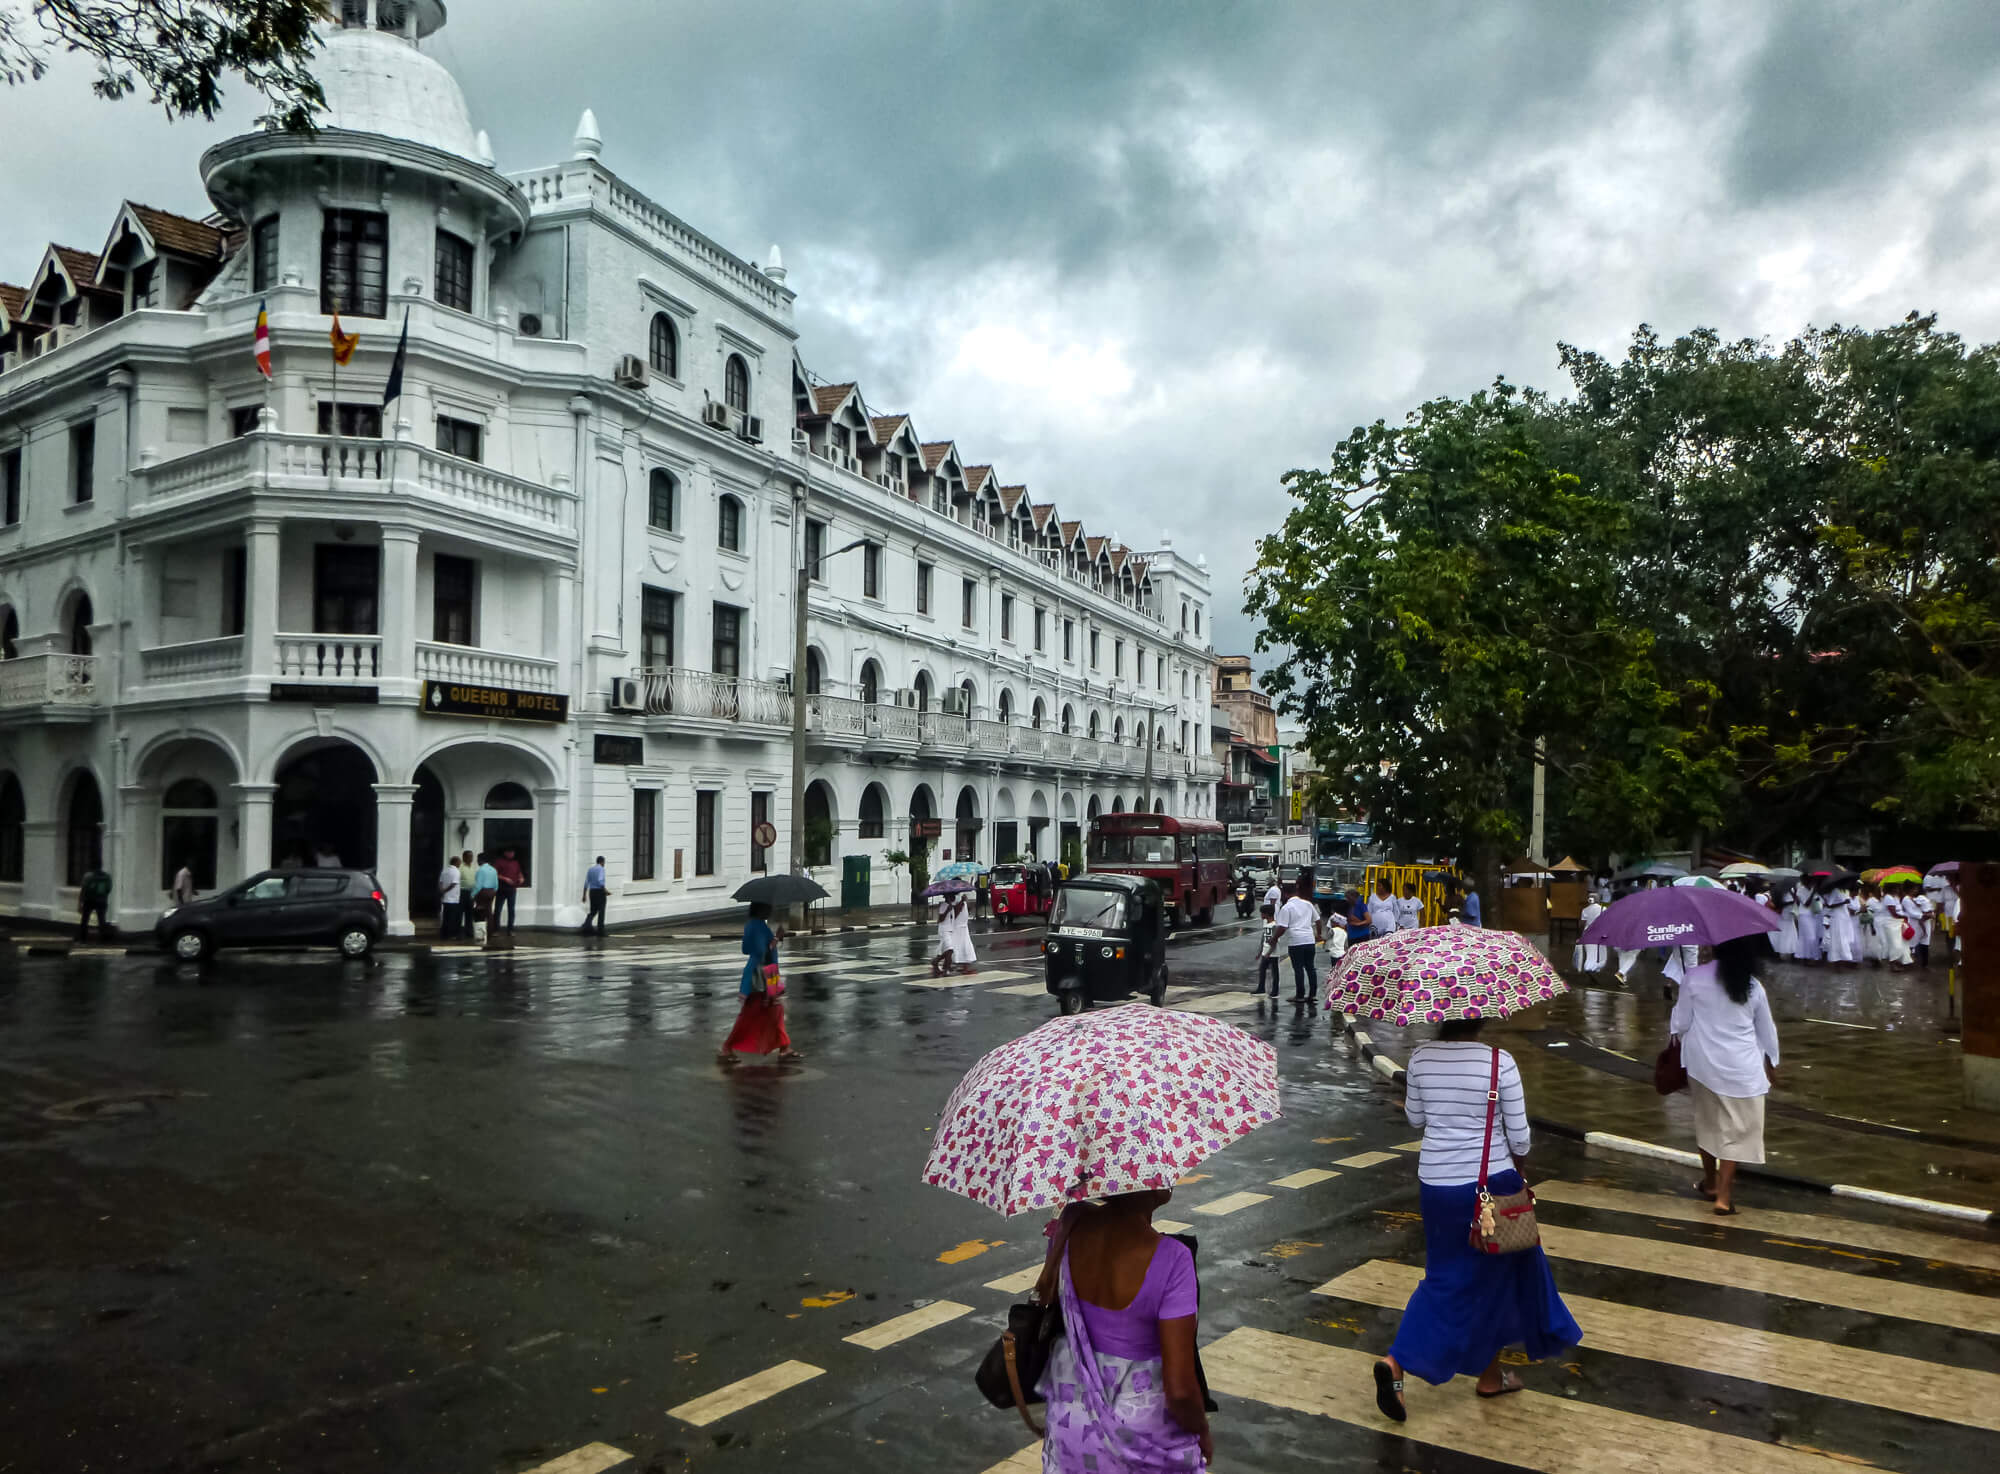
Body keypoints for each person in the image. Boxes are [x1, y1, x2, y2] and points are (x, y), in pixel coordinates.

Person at [1373, 1018, 1581, 1421]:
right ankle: (1398, 1361)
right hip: (1491, 1185)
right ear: (1483, 1014)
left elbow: (1415, 1119)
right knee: (1493, 1277)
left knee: (1455, 1275)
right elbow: (1520, 1137)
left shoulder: (1420, 1057)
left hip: (1437, 1184)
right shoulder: (1499, 1063)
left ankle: (1490, 1376)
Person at [1033, 1190, 1211, 1472]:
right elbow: (1179, 1391)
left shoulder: (1068, 1228)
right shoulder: (1173, 1258)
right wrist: (1202, 1431)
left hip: (1070, 1429)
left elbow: (1050, 1297)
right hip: (1143, 1441)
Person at [1669, 935, 1780, 1215]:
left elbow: (1681, 1022)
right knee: (1738, 1132)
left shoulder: (1694, 977)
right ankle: (1724, 1196)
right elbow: (1767, 1031)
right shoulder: (1753, 986)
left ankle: (1710, 1182)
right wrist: (1773, 1062)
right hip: (1741, 1069)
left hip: (1701, 1065)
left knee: (1708, 1123)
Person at [719, 902, 802, 1064]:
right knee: (753, 1014)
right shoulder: (757, 926)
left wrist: (774, 939)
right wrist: (776, 938)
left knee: (775, 1011)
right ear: (760, 909)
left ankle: (784, 1047)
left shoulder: (753, 925)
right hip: (761, 975)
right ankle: (726, 1048)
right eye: (767, 908)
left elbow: (746, 949)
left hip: (767, 973)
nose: (770, 910)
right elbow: (760, 951)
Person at [1277, 881, 1321, 1004]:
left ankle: (1300, 995)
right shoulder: (1307, 904)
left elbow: (1282, 927)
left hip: (1296, 942)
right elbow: (1318, 920)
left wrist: (1274, 938)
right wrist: (1318, 934)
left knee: (1298, 969)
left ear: (1285, 894)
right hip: (1309, 940)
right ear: (1296, 892)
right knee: (1310, 968)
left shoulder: (1287, 907)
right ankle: (1312, 995)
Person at [77, 862, 114, 942]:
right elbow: (108, 889)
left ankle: (83, 939)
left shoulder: (88, 876)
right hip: (102, 901)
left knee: (85, 920)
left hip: (89, 901)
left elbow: (83, 890)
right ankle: (103, 939)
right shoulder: (107, 876)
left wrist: (80, 903)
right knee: (101, 920)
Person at [1253, 902, 1284, 997]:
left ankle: (1275, 991)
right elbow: (1263, 939)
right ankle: (1261, 988)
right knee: (1262, 970)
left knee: (1274, 972)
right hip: (1265, 952)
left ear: (1267, 914)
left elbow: (1274, 941)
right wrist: (1260, 952)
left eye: (1262, 913)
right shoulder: (1266, 924)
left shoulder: (1275, 926)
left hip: (1273, 953)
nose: (1261, 915)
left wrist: (1269, 953)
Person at [470, 852, 500, 946]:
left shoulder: (481, 870)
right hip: (492, 891)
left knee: (480, 913)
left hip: (482, 892)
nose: (477, 861)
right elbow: (496, 884)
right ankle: (490, 933)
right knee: (489, 912)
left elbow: (478, 885)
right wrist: (494, 891)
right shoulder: (493, 870)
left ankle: (480, 934)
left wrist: (472, 895)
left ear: (481, 860)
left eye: (478, 859)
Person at [493, 848, 525, 933]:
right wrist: (505, 879)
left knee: (511, 910)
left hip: (512, 889)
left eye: (513, 852)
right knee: (498, 910)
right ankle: (496, 929)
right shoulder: (499, 862)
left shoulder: (515, 863)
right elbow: (495, 874)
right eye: (510, 852)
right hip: (501, 889)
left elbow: (519, 873)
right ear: (505, 853)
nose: (512, 854)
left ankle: (510, 929)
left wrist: (521, 878)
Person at [1574, 894, 1606, 974]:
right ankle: (1592, 968)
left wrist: (1579, 936)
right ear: (1598, 900)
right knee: (1601, 955)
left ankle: (1589, 967)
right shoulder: (1603, 909)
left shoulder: (1585, 910)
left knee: (1590, 954)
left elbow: (1581, 924)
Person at [580, 856, 609, 935]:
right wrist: (605, 890)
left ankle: (586, 926)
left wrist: (584, 895)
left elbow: (586, 883)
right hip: (600, 892)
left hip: (592, 892)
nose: (604, 864)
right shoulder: (601, 869)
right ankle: (601, 931)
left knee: (593, 911)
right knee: (601, 911)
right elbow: (600, 881)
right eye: (604, 863)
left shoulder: (590, 869)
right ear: (602, 862)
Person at [437, 854, 463, 940]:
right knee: (452, 917)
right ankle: (450, 934)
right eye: (459, 862)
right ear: (456, 862)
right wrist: (446, 890)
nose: (460, 864)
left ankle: (444, 934)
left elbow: (440, 882)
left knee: (446, 917)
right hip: (453, 898)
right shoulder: (456, 871)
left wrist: (442, 890)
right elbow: (454, 883)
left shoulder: (445, 870)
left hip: (445, 898)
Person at [456, 852, 477, 938]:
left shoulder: (473, 868)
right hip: (462, 892)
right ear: (464, 857)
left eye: (471, 856)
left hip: (471, 893)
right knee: (459, 913)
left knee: (470, 914)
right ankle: (458, 933)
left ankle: (469, 932)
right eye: (469, 857)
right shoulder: (460, 868)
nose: (471, 858)